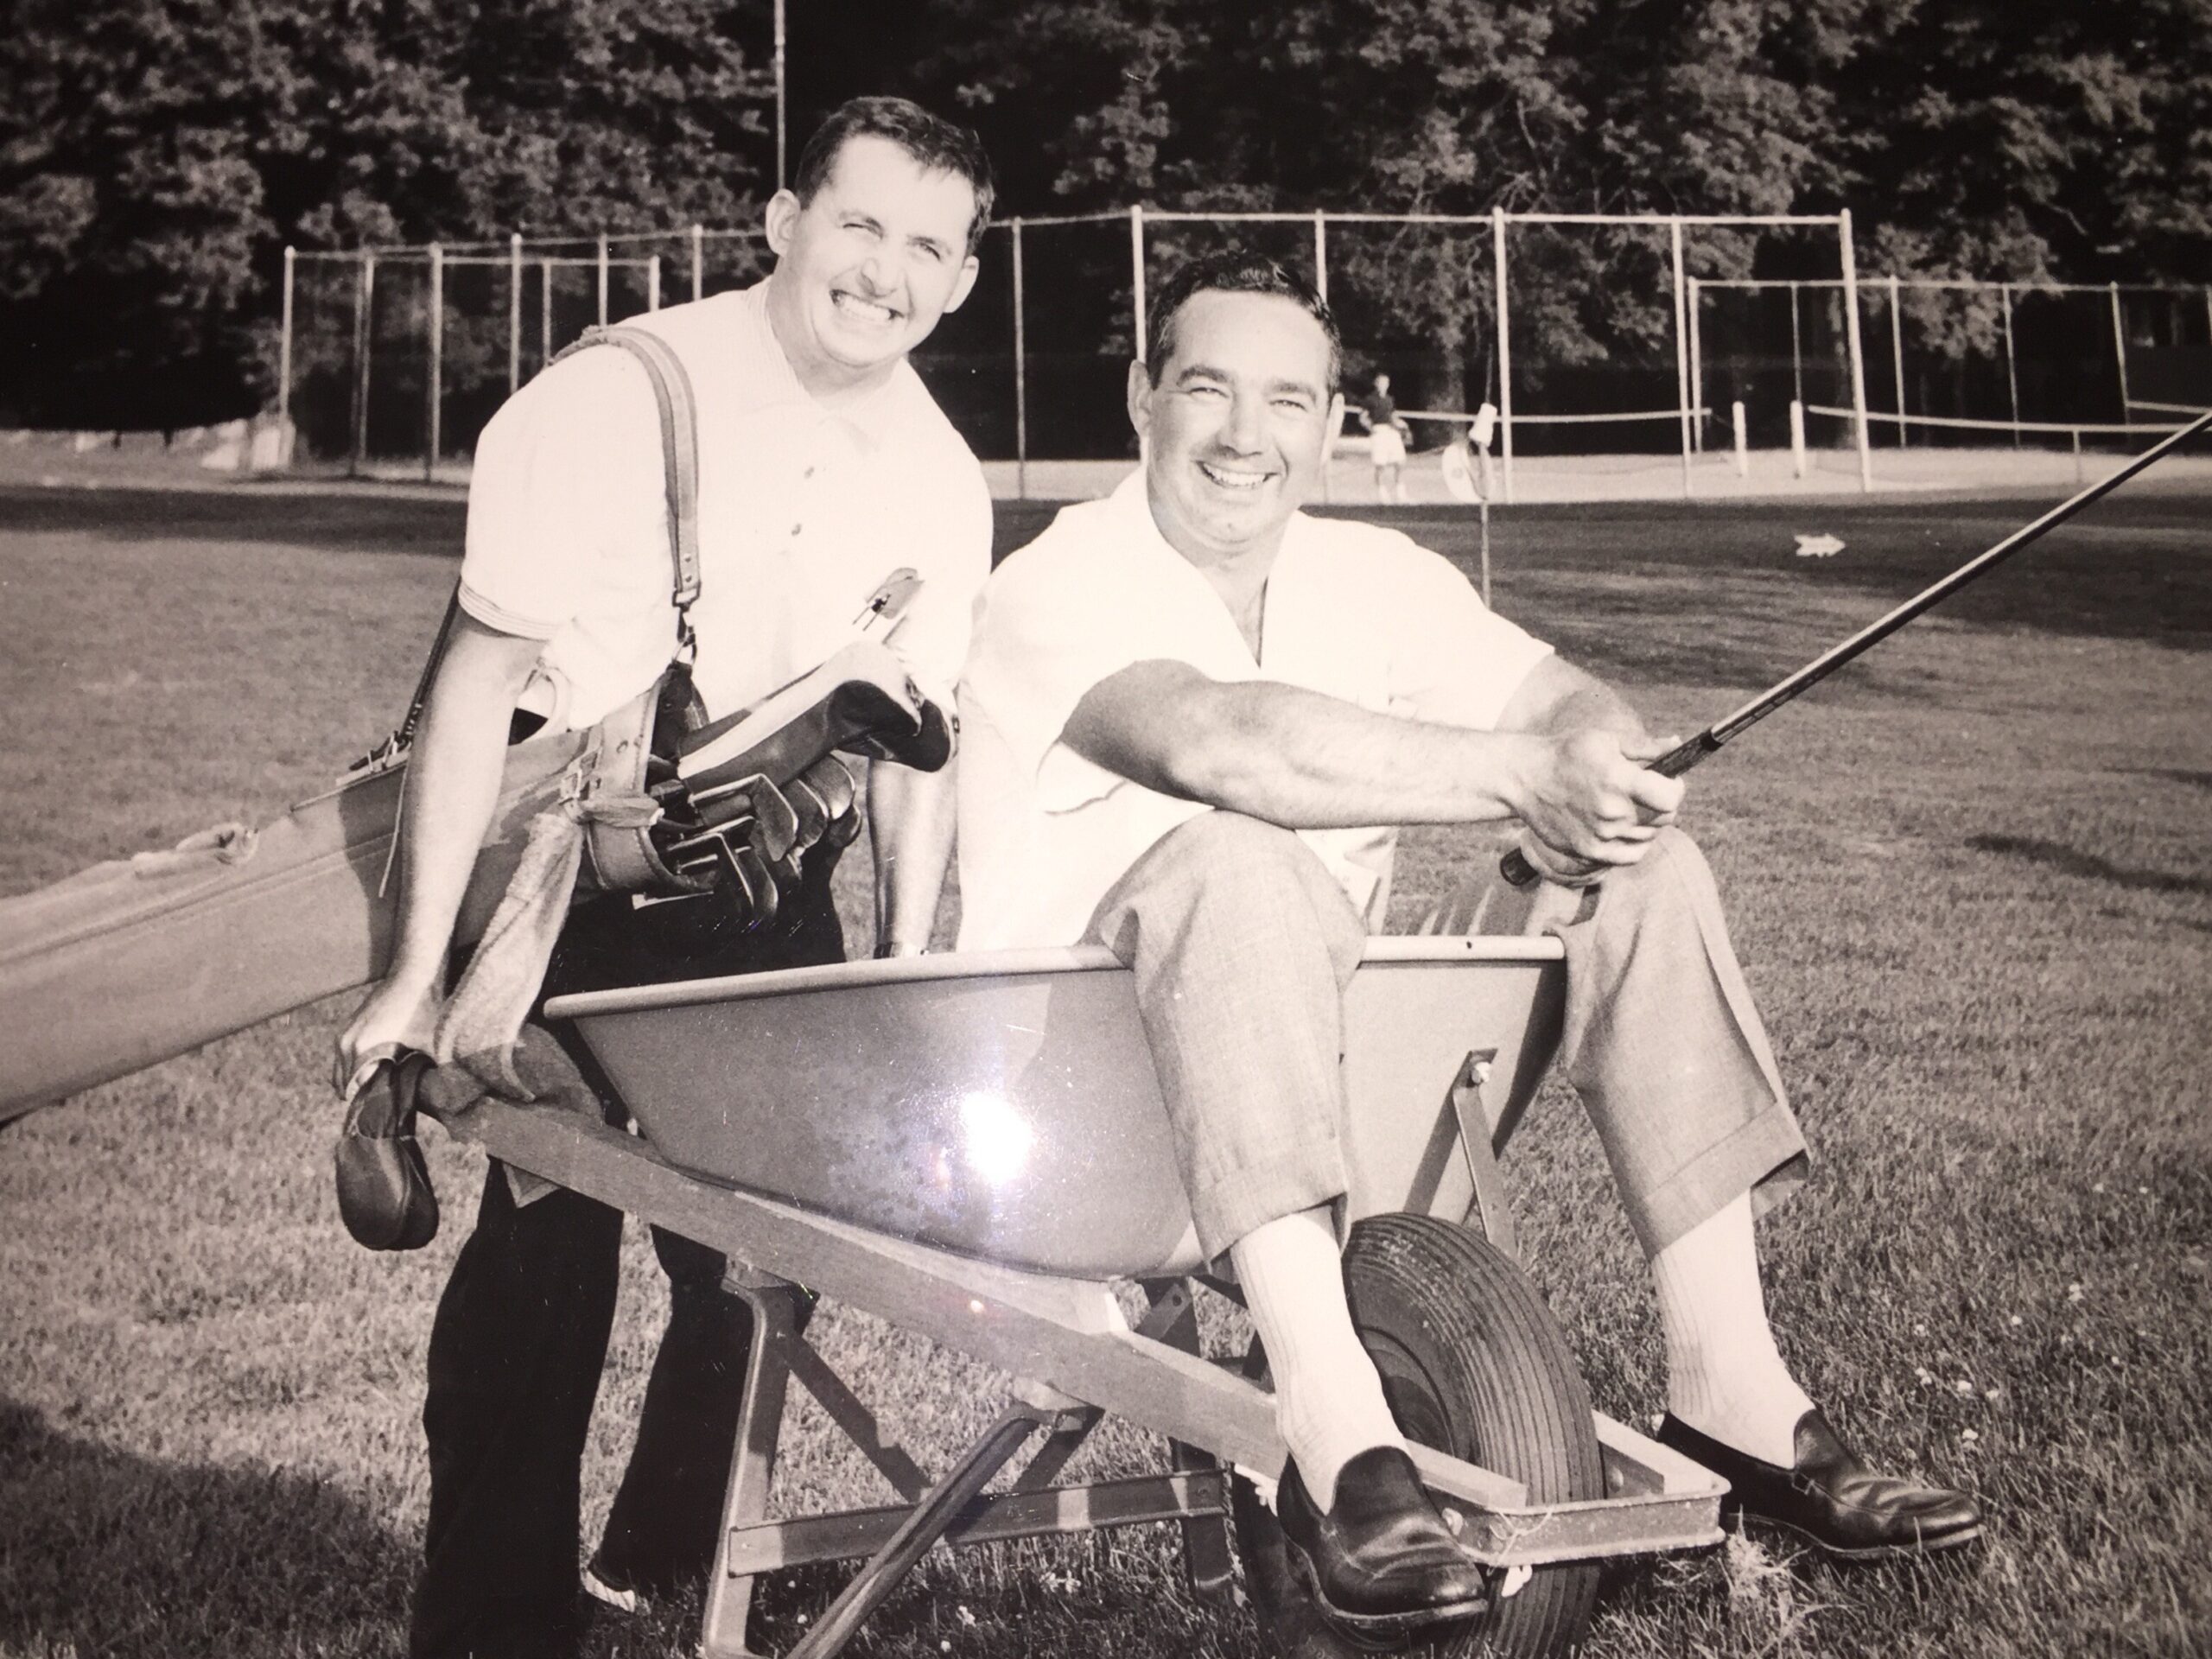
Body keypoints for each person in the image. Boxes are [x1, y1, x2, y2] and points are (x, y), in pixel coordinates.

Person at [957, 254, 1980, 1632]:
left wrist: (1591, 772)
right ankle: (1336, 1429)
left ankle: (1733, 1392)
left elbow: (1567, 700)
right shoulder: (1057, 579)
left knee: (1640, 870)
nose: (1247, 436)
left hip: (1307, 1092)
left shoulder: (1370, 573)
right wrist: (1518, 777)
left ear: (1332, 422)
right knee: (1236, 855)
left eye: (1288, 400)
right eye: (1207, 388)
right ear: (1143, 395)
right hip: (1078, 1117)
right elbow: (1225, 747)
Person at [334, 97, 996, 1659]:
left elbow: (918, 748)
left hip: (769, 885)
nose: (885, 272)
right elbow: (471, 694)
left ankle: (668, 1570)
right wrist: (413, 981)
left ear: (964, 277)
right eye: (858, 224)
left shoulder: (943, 478)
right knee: (545, 1256)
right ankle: (492, 1621)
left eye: (927, 245)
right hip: (566, 885)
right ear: (783, 222)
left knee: (762, 1263)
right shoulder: (612, 399)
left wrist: (899, 969)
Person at [1357, 370, 1411, 503]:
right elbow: (1363, 418)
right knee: (1380, 464)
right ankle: (1382, 495)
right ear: (1376, 384)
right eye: (1381, 382)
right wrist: (1371, 428)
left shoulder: (1389, 400)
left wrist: (1402, 425)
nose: (1384, 385)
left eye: (1386, 382)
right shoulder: (1369, 399)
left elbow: (1393, 417)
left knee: (1400, 462)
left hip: (1391, 432)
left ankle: (1401, 494)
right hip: (1379, 432)